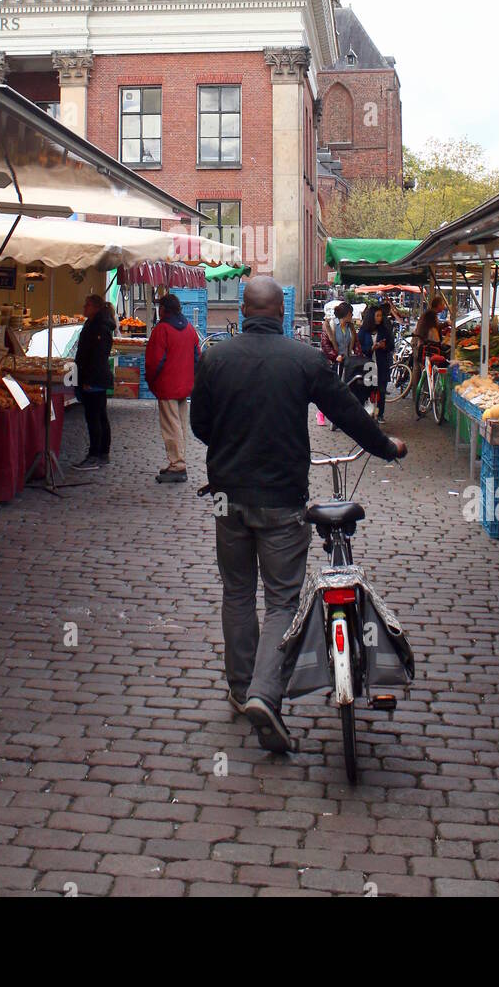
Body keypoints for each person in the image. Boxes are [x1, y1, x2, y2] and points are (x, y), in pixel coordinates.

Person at [190, 275, 406, 756]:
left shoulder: (214, 359)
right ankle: (266, 696)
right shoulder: (304, 360)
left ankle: (241, 687)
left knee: (237, 592)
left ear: (243, 311)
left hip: (228, 496)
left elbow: (199, 425)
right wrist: (386, 448)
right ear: (279, 314)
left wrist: (231, 448)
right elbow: (349, 412)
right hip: (283, 498)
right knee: (282, 599)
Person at [145, 293, 201, 484]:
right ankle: (178, 460)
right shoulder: (189, 329)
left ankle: (177, 465)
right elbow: (197, 358)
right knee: (180, 424)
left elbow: (154, 361)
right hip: (185, 385)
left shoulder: (162, 330)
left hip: (167, 385)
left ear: (163, 310)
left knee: (171, 426)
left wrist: (151, 380)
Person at [73, 294, 116, 469]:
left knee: (94, 417)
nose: (84, 307)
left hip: (95, 377)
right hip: (96, 376)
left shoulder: (99, 327)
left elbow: (97, 355)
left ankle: (95, 454)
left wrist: (88, 379)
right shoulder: (97, 324)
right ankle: (102, 452)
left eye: (87, 305)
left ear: (95, 307)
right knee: (100, 415)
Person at [358, 301, 395, 421]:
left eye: (380, 315)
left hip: (382, 364)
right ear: (371, 316)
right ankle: (367, 412)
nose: (379, 318)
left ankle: (380, 414)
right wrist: (370, 348)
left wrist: (384, 346)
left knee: (381, 390)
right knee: (368, 389)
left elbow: (391, 346)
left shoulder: (384, 330)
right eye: (377, 315)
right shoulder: (364, 331)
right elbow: (359, 347)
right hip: (368, 365)